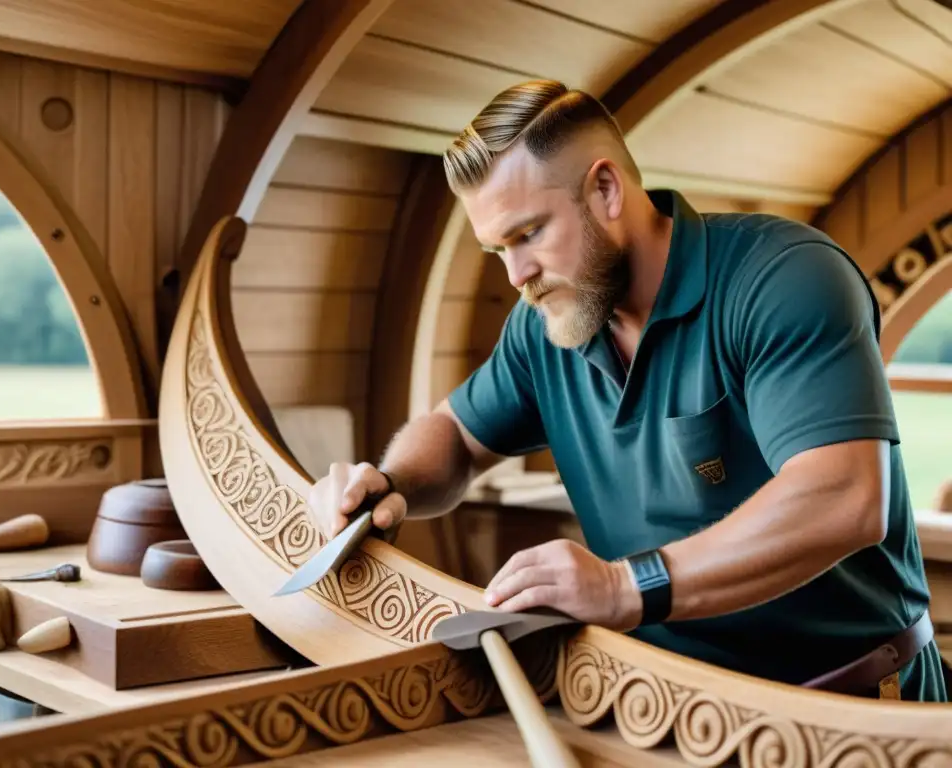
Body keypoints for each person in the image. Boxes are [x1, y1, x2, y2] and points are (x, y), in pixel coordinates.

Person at [307, 79, 947, 702]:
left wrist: (624, 588)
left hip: (857, 706)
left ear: (606, 189)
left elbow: (845, 498)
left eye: (528, 233)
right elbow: (452, 435)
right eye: (495, 249)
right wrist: (389, 485)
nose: (516, 274)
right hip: (663, 711)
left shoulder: (785, 277)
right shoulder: (546, 325)